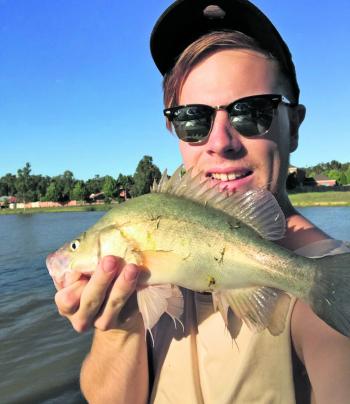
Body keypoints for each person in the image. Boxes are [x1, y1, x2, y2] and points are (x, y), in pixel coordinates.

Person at [54, 1, 350, 403]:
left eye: (252, 112)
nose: (220, 142)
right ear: (173, 129)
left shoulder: (329, 275)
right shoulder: (142, 273)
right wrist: (121, 324)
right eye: (193, 118)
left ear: (293, 126)